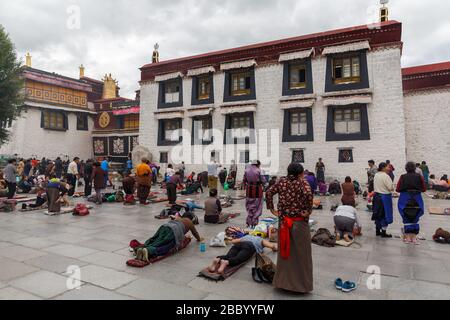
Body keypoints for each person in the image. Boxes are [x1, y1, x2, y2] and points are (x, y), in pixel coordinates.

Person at [265, 163, 314, 294]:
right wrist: (308, 211)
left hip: (283, 223)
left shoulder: (281, 182)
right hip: (299, 224)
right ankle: (301, 286)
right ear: (300, 173)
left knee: (285, 253)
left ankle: (283, 283)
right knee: (302, 255)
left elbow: (269, 192)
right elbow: (309, 196)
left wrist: (272, 209)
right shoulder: (302, 183)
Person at [135, 217, 203, 262]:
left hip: (164, 226)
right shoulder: (190, 222)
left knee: (156, 239)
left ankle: (141, 248)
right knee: (167, 245)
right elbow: (195, 233)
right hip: (173, 230)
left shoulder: (179, 218)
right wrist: (199, 239)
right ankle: (149, 250)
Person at [208, 235, 278, 274]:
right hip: (250, 246)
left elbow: (234, 241)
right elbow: (272, 246)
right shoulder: (261, 240)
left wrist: (230, 239)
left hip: (239, 244)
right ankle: (226, 262)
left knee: (228, 256)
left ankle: (217, 259)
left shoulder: (246, 236)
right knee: (238, 259)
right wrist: (275, 248)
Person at [396, 162, 426, 245]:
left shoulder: (403, 177)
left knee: (406, 215)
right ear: (414, 168)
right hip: (416, 197)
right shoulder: (419, 176)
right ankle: (414, 238)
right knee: (416, 215)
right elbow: (424, 188)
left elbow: (398, 189)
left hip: (405, 197)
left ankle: (408, 238)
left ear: (406, 168)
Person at [372, 162, 394, 238]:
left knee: (377, 213)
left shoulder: (376, 175)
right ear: (383, 168)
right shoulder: (386, 176)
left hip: (376, 196)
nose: (389, 168)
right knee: (385, 214)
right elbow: (390, 188)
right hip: (384, 197)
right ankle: (384, 233)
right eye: (388, 167)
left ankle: (377, 231)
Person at [243, 160, 264, 228]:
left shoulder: (246, 170)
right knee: (257, 206)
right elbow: (263, 180)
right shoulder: (259, 170)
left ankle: (249, 222)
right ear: (258, 164)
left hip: (249, 190)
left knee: (249, 205)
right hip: (258, 190)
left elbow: (244, 180)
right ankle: (254, 222)